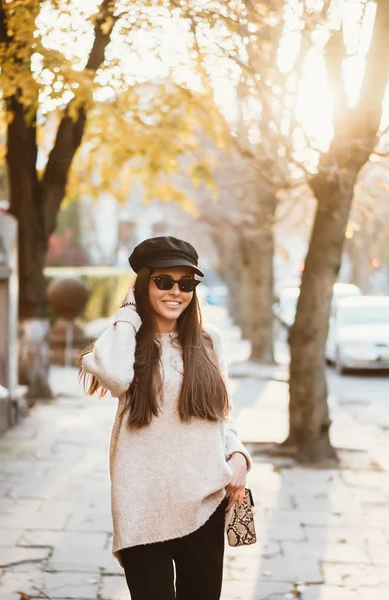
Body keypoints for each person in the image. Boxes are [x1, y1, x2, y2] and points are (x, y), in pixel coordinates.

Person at [78, 236, 252, 600]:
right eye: (164, 281)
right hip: (142, 507)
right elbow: (113, 376)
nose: (176, 291)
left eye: (186, 283)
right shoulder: (125, 341)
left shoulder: (208, 341)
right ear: (144, 283)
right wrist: (128, 310)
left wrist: (238, 454)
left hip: (204, 500)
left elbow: (222, 416)